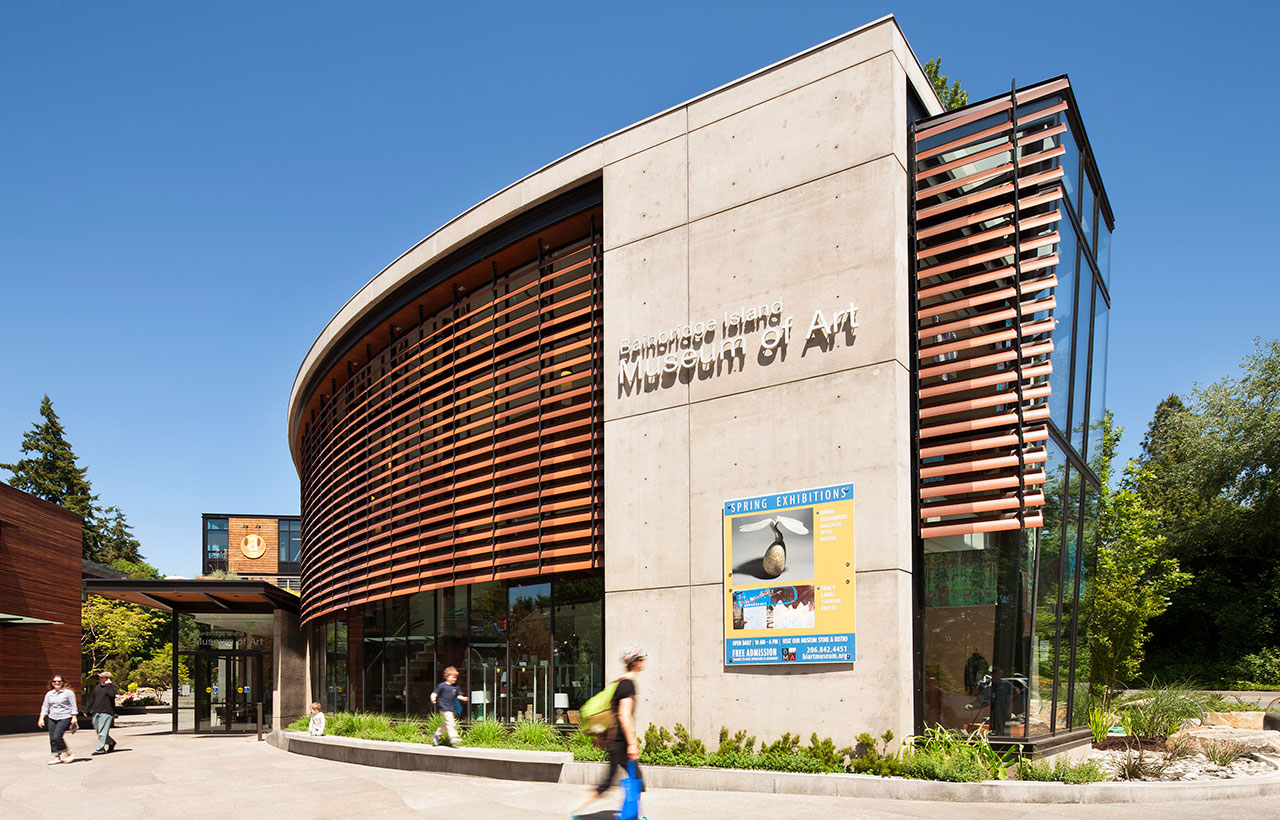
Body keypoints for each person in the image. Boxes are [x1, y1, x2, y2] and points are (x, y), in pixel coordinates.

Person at [571, 647, 645, 819]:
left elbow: (610, 714)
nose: (643, 662)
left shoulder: (618, 683)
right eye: (641, 659)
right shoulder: (627, 685)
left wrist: (601, 737)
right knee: (633, 779)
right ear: (636, 663)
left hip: (614, 741)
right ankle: (577, 810)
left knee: (617, 780)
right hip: (620, 741)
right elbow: (624, 715)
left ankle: (577, 809)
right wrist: (632, 744)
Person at [37, 674, 78, 765]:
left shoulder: (68, 693)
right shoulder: (49, 694)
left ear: (62, 682)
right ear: (52, 683)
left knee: (57, 737)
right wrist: (41, 718)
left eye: (59, 681)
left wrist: (74, 717)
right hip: (52, 717)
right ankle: (57, 757)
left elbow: (73, 705)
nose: (57, 683)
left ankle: (68, 753)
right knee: (52, 738)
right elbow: (45, 706)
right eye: (55, 681)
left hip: (64, 716)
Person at [429, 666, 468, 747]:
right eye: (453, 677)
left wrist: (463, 698)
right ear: (447, 676)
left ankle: (436, 735)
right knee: (450, 723)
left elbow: (458, 695)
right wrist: (433, 698)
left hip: (451, 708)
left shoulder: (456, 687)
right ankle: (453, 739)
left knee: (445, 724)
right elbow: (434, 693)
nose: (454, 679)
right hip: (444, 707)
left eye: (456, 677)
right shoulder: (442, 686)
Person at [83, 670, 119, 755]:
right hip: (96, 711)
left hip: (107, 712)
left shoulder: (112, 687)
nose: (100, 679)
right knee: (99, 731)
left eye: (102, 677)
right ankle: (110, 742)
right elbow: (92, 698)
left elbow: (111, 695)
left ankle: (100, 749)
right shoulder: (97, 687)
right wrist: (86, 709)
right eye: (99, 677)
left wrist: (108, 685)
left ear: (107, 678)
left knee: (102, 731)